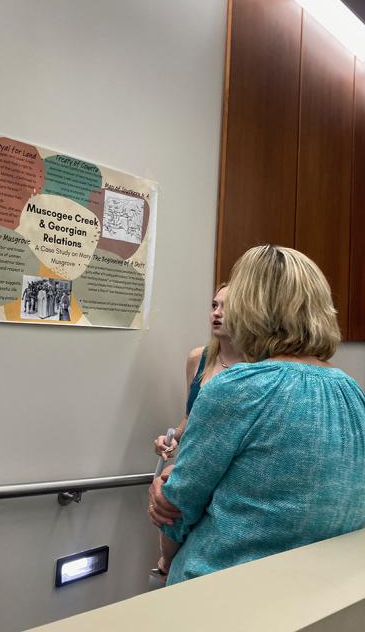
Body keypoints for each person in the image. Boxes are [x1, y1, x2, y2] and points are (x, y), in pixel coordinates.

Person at [149, 245, 365, 585]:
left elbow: (176, 509)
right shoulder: (351, 391)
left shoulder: (236, 387)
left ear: (252, 308)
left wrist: (164, 562)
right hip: (321, 589)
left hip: (222, 589)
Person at [153, 284, 243, 461]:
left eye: (228, 307)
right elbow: (191, 417)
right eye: (214, 306)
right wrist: (171, 439)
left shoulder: (261, 365)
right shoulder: (198, 358)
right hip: (192, 463)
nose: (216, 313)